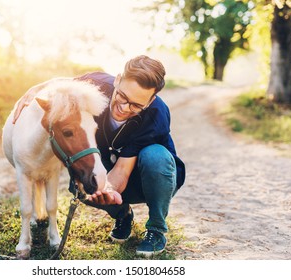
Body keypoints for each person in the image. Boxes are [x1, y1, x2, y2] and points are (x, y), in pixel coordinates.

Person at [13, 55, 185, 257]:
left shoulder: (156, 114)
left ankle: (156, 229)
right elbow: (61, 84)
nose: (124, 108)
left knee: (155, 156)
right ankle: (123, 215)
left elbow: (122, 170)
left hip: (150, 178)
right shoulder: (95, 85)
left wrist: (110, 188)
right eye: (122, 96)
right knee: (84, 183)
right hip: (108, 166)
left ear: (151, 100)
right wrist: (34, 91)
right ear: (117, 80)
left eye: (136, 106)